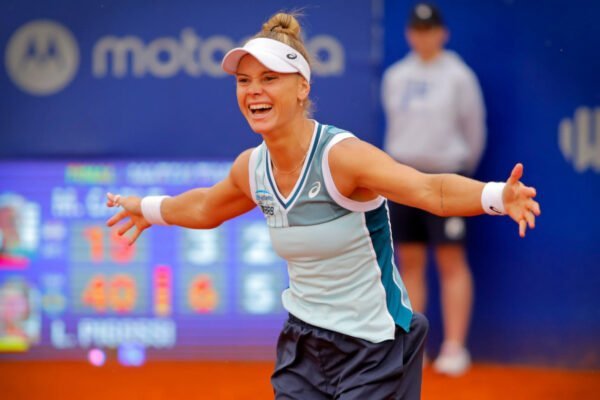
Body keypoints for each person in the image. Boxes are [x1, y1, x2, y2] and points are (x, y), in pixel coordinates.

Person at [106, 12, 540, 399]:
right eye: (244, 81)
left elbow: (430, 191)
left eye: (269, 78)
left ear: (302, 87)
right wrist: (150, 208)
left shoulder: (341, 156)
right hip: (304, 348)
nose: (253, 91)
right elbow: (206, 207)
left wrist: (495, 195)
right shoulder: (251, 168)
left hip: (375, 346)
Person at [381, 3, 486, 375]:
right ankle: (415, 350)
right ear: (410, 34)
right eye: (417, 30)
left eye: (430, 29)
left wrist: (458, 173)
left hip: (447, 178)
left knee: (451, 260)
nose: (423, 36)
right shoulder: (395, 76)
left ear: (442, 33)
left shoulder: (459, 76)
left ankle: (455, 347)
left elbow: (474, 133)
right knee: (409, 263)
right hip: (404, 181)